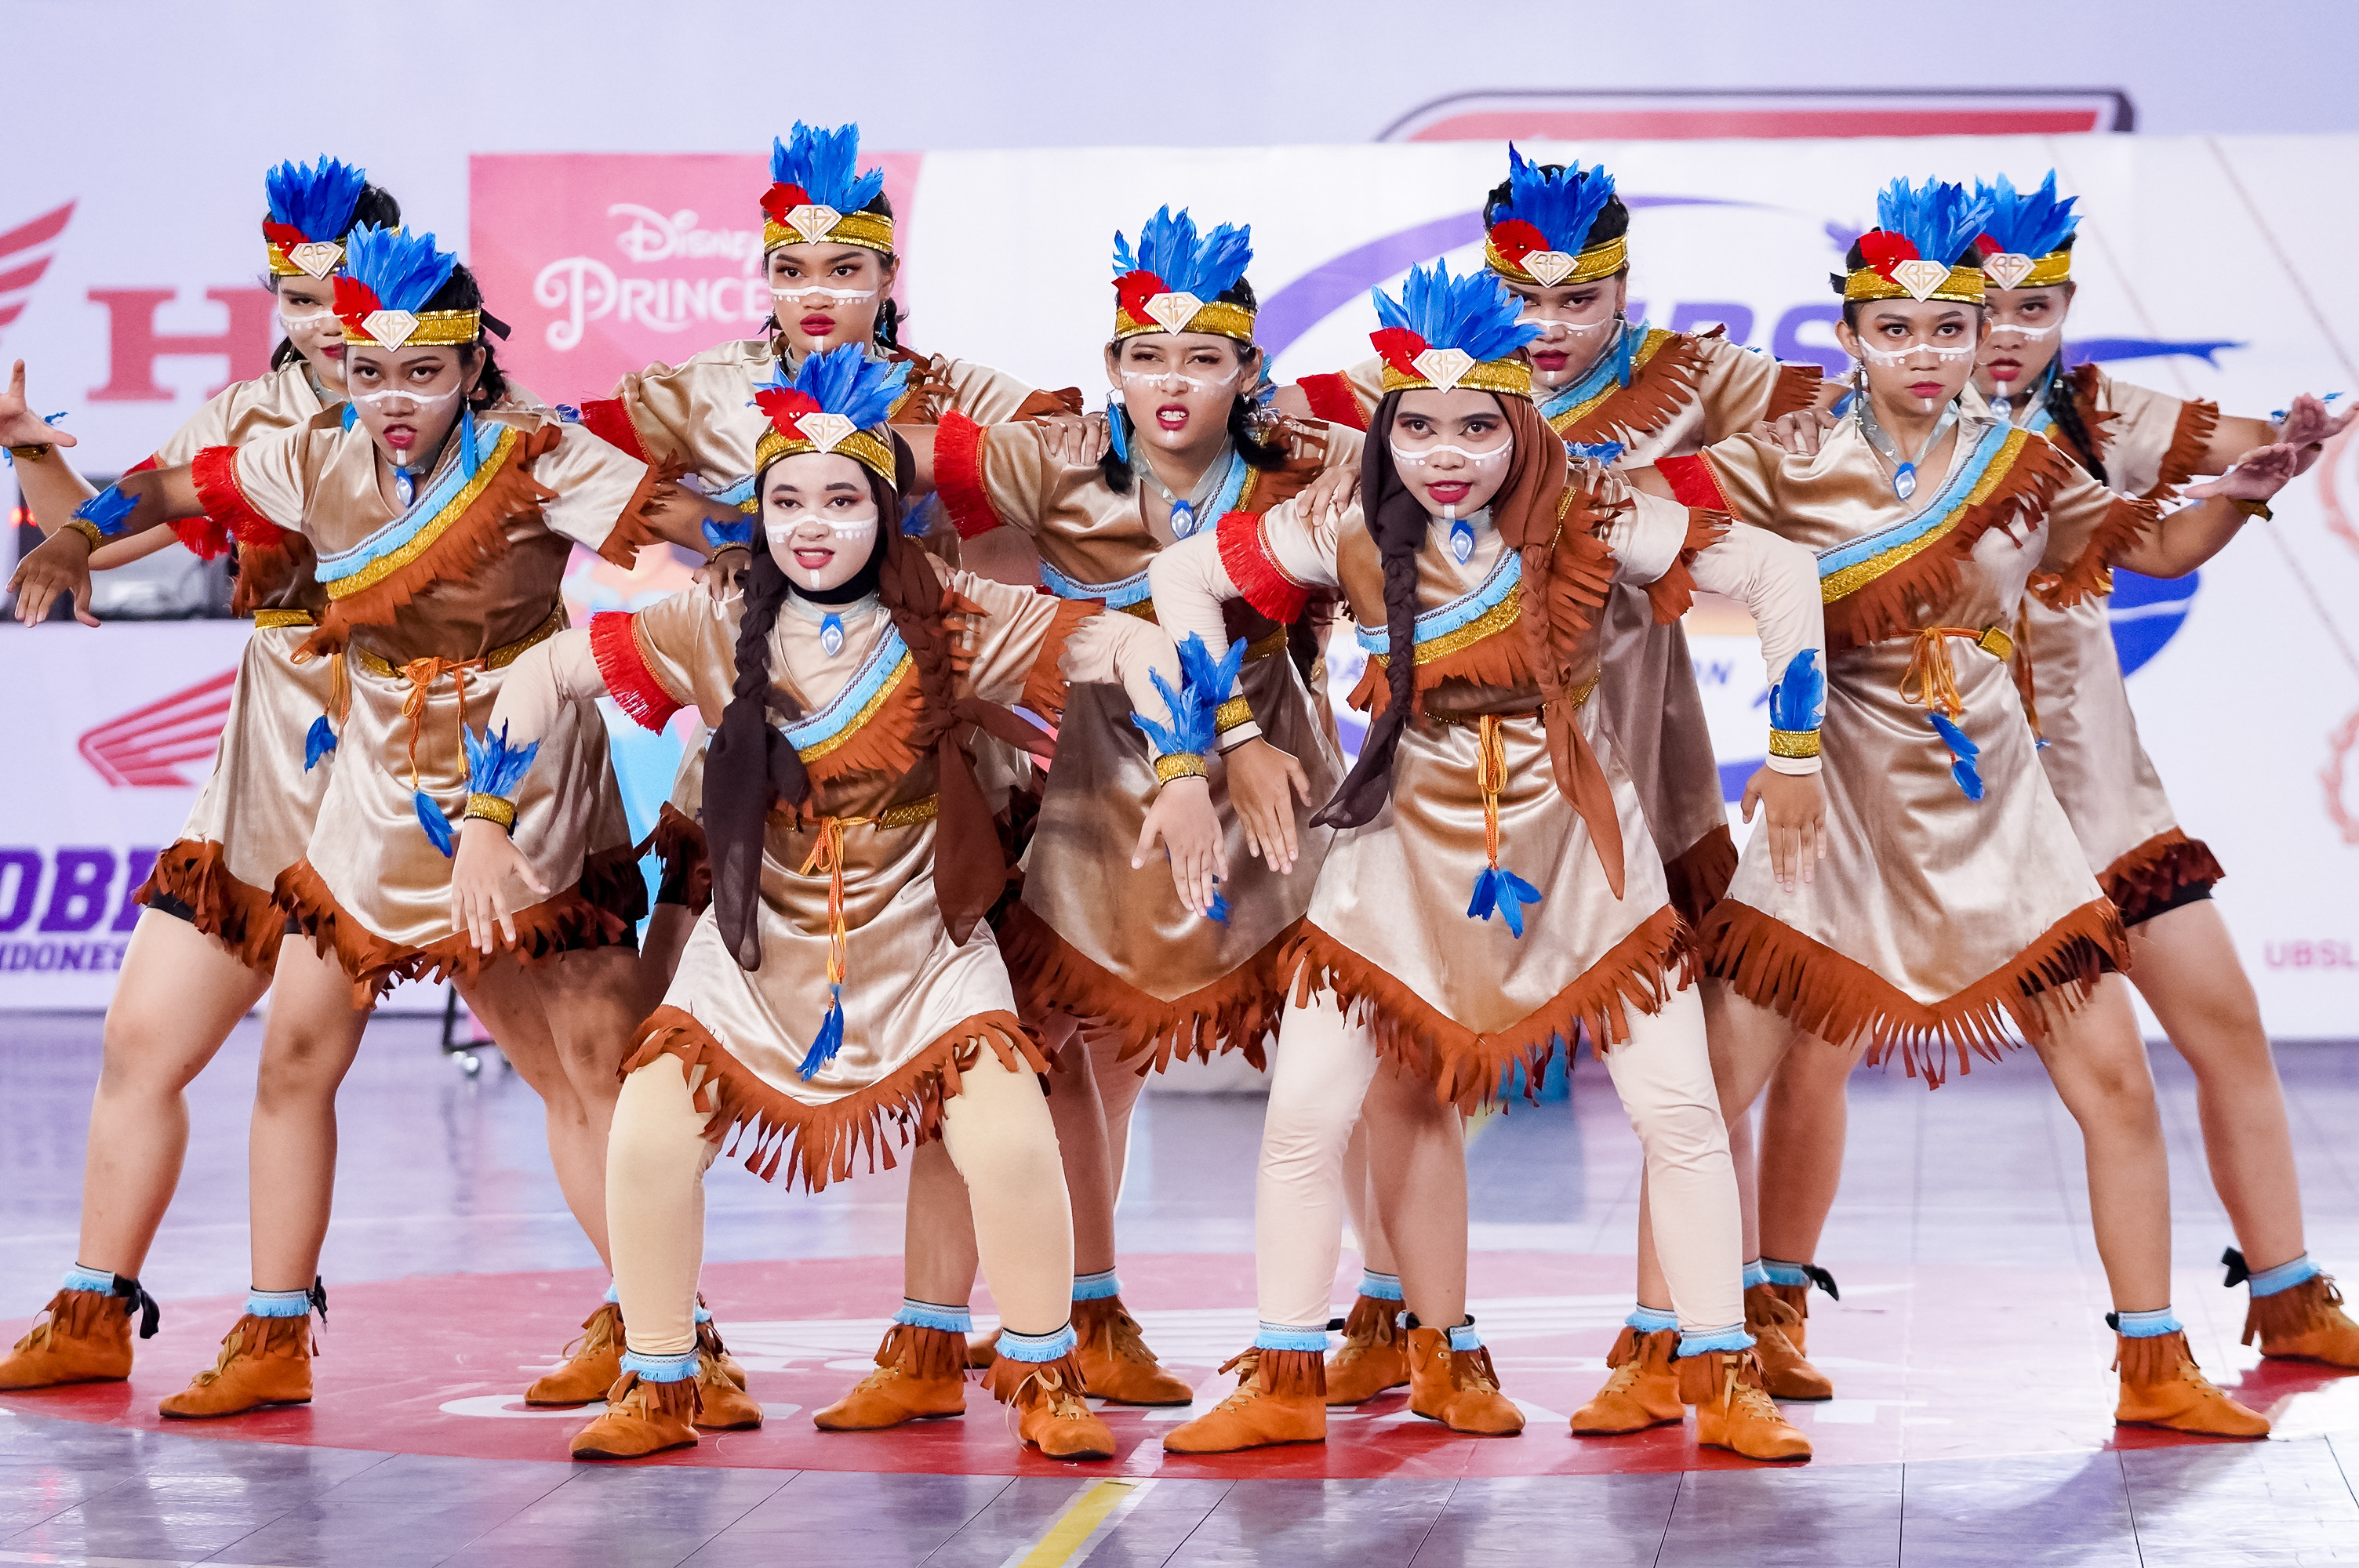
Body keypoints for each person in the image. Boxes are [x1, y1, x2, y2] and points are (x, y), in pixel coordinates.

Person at [449, 344, 1227, 1461]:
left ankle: (1045, 1375)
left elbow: (1130, 643)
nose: (812, 524)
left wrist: (1187, 766)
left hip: (923, 938)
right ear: (760, 513)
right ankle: (660, 1381)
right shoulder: (712, 620)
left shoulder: (956, 611)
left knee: (1009, 1135)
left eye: (842, 500)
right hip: (760, 942)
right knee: (653, 1124)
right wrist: (485, 816)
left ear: (887, 511)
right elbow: (548, 672)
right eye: (787, 501)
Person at [7, 223, 724, 1418]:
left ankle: (675, 1343)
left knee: (589, 1065)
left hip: (523, 781)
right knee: (293, 1054)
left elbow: (687, 521)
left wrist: (793, 541)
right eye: (367, 367)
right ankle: (267, 1333)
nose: (390, 394)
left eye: (421, 370)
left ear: (472, 363)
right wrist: (73, 533)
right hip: (366, 782)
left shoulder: (534, 451)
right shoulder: (298, 446)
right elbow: (162, 493)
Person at [1649, 177, 2306, 1439]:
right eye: (1897, 328)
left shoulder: (2027, 462)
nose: (1930, 350)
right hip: (1832, 822)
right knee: (1712, 1095)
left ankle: (2158, 1366)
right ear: (1849, 336)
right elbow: (1637, 520)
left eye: (1950, 329)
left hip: (2004, 817)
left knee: (2117, 1085)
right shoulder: (1784, 456)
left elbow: (2161, 548)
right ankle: (1689, 1354)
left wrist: (2249, 485)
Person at [1149, 260, 1828, 1461]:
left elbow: (1778, 570)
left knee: (1678, 1116)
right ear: (1388, 428)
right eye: (1418, 426)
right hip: (1396, 852)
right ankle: (1285, 1376)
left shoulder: (1595, 507)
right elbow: (1180, 575)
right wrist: (1226, 743)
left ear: (1520, 423)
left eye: (1476, 426)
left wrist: (1795, 754)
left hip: (1582, 852)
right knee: (1304, 1117)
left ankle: (1723, 1377)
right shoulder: (1345, 522)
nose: (1446, 454)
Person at [531, 121, 1085, 1406]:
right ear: (764, 278)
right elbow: (550, 442)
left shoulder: (953, 388)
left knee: (966, 1062)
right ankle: (664, 1334)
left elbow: (1077, 460)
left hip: (930, 755)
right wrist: (711, 527)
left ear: (889, 276)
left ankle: (932, 1344)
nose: (818, 293)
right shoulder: (707, 390)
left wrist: (946, 571)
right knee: (672, 1039)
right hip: (756, 753)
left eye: (846, 268)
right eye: (792, 269)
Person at [831, 207, 1356, 1427]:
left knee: (1359, 1063)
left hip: (1269, 796)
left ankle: (1396, 1325)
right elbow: (870, 461)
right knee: (1015, 1061)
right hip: (1088, 801)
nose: (1171, 383)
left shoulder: (1308, 461)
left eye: (1202, 357)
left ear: (1247, 368)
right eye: (1145, 357)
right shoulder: (1051, 456)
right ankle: (975, 1336)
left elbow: (1471, 463)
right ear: (1112, 366)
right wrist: (786, 440)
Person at [0, 158, 406, 1393]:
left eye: (345, 295)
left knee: (300, 1059)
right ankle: (91, 1312)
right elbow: (99, 534)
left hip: (394, 788)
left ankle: (277, 1337)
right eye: (298, 297)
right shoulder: (241, 416)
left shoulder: (442, 409)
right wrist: (28, 451)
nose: (322, 320)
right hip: (257, 785)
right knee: (140, 1040)